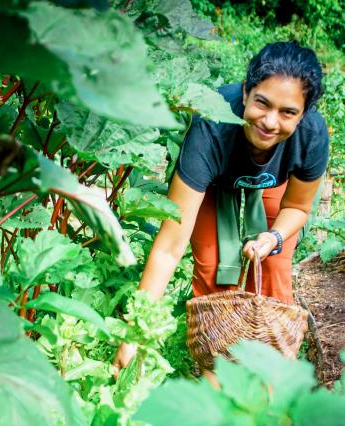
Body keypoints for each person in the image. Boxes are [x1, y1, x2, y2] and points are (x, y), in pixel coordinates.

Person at [114, 40, 329, 370]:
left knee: (273, 267)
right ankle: (216, 364)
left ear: (303, 114)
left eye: (288, 113)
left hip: (275, 181)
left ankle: (270, 370)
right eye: (262, 103)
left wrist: (272, 238)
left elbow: (297, 209)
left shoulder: (311, 135)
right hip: (214, 181)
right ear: (245, 93)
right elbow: (170, 247)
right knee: (214, 270)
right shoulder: (210, 127)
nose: (271, 122)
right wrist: (133, 335)